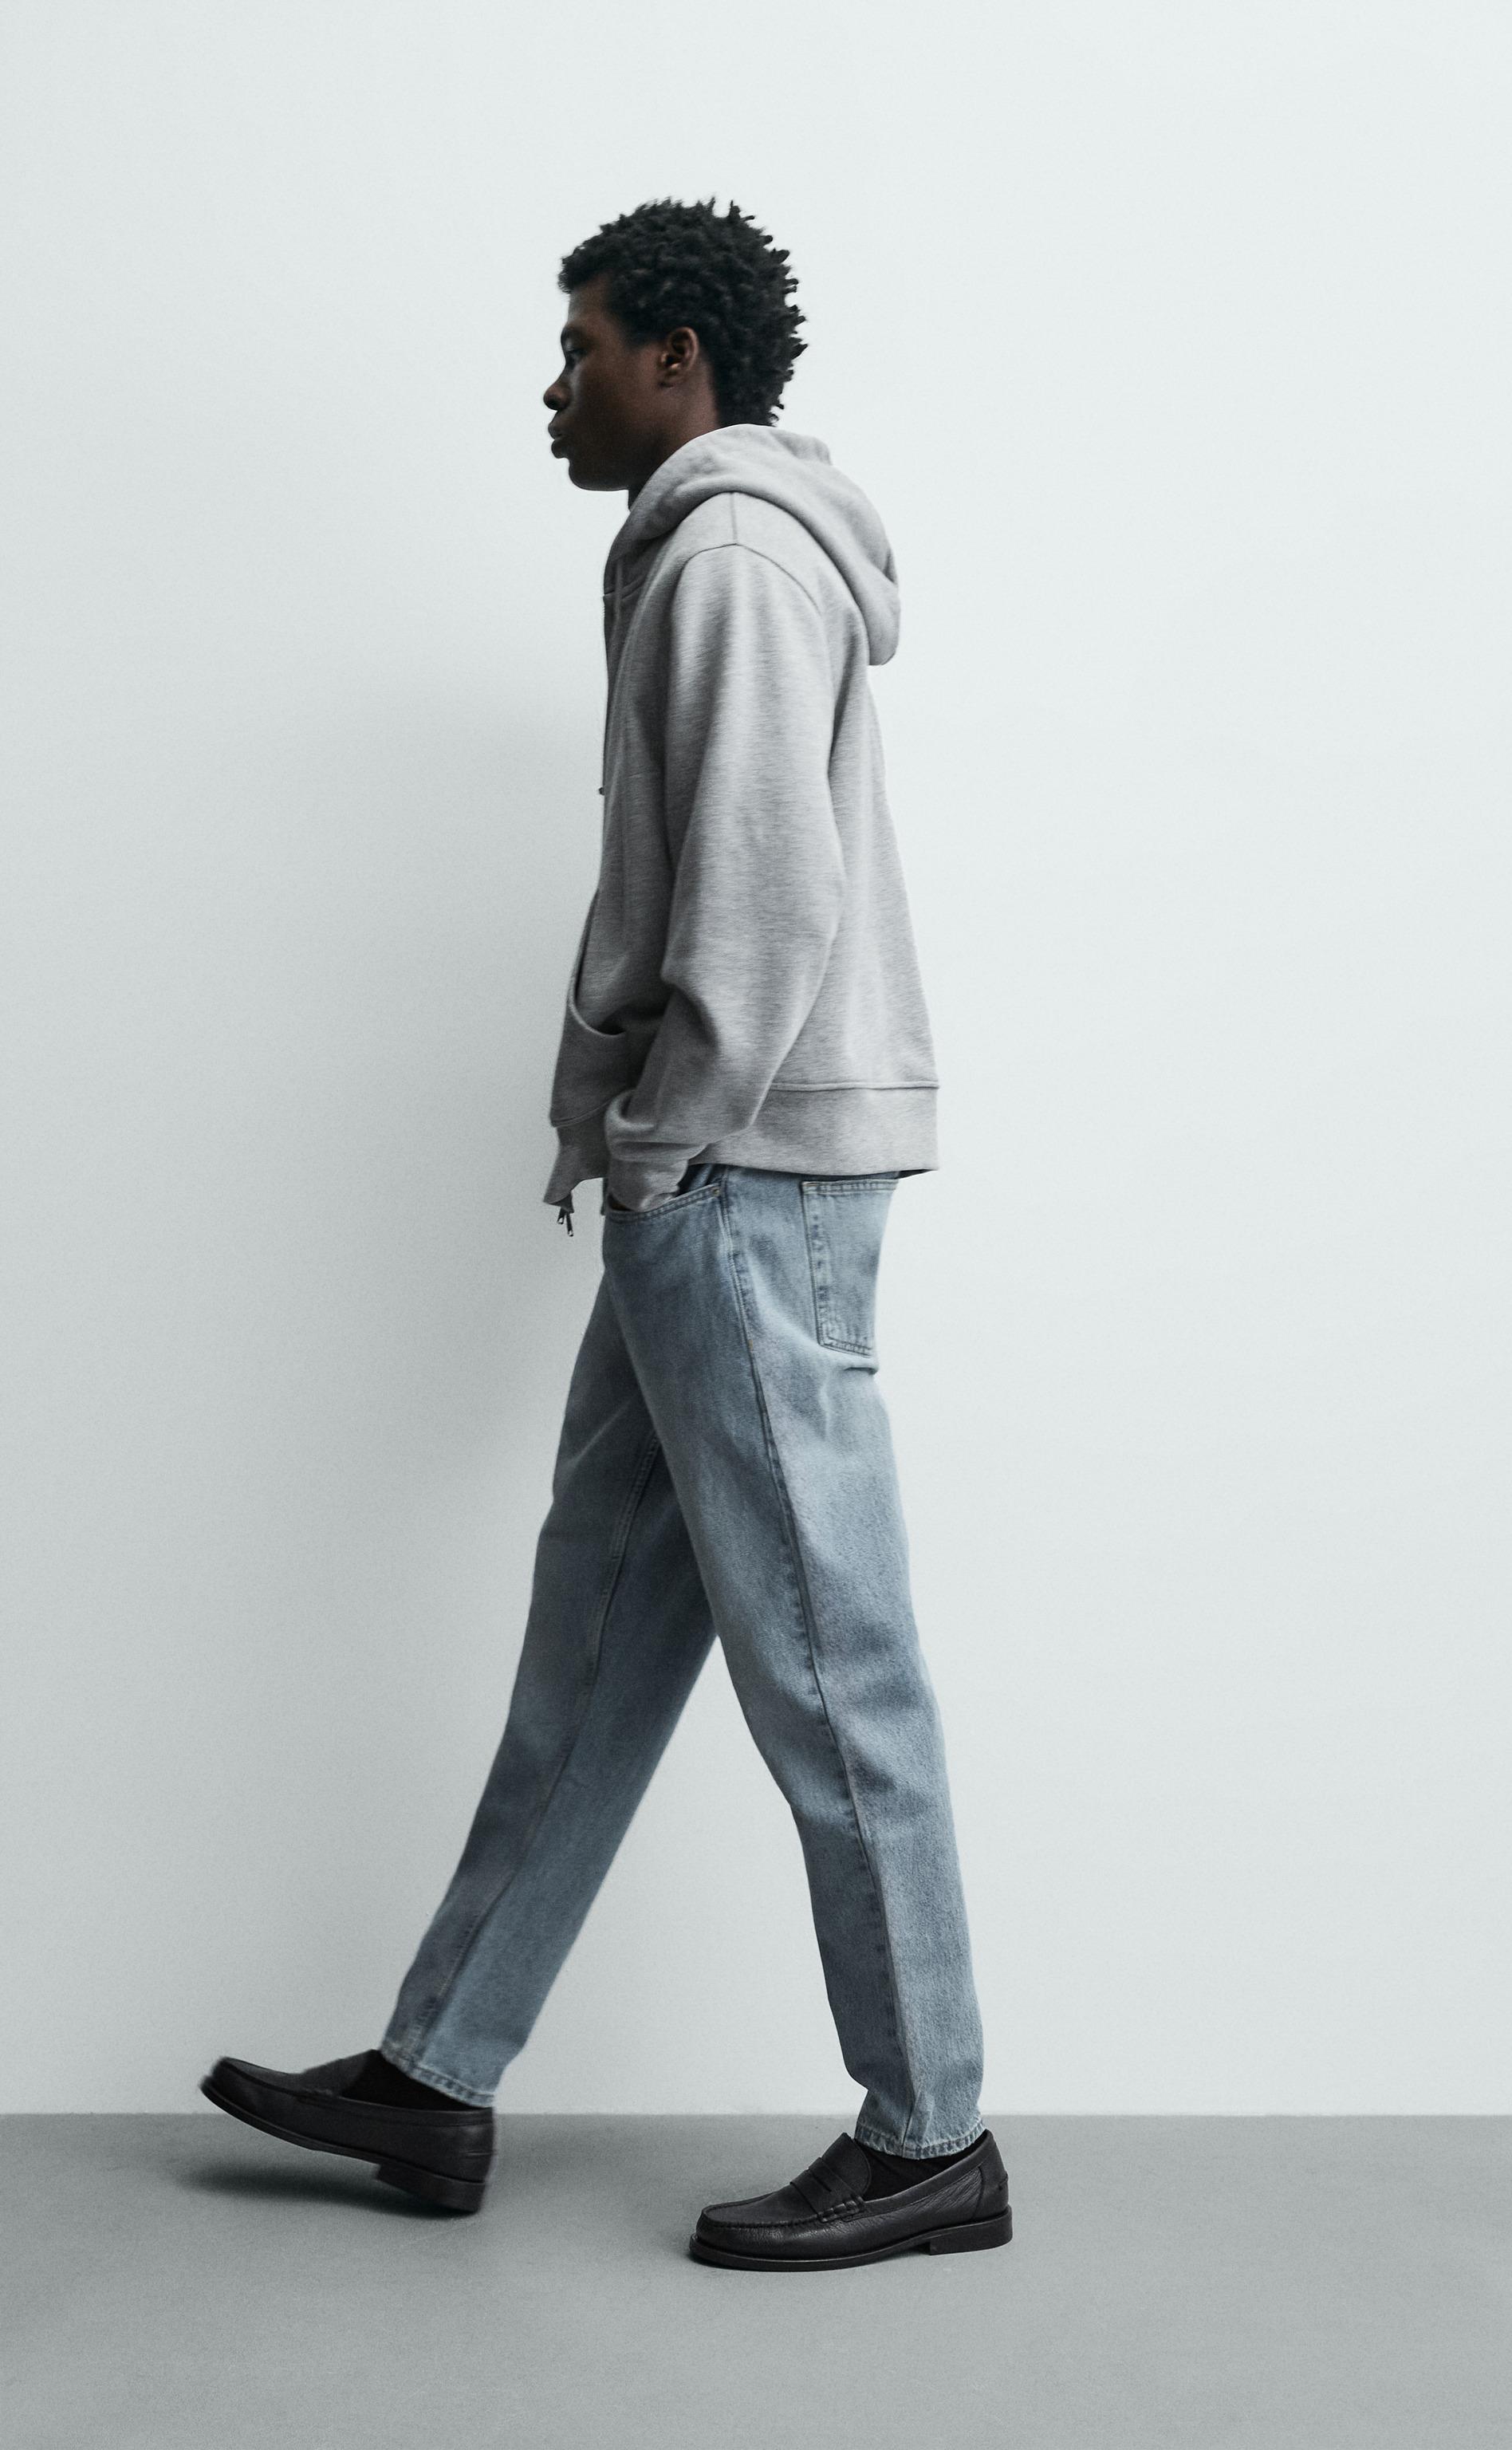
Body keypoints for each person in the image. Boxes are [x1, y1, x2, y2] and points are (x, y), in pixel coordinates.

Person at [202, 196, 1009, 2271]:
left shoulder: (731, 558)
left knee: (829, 1659)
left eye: (580, 347)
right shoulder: (698, 551)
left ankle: (933, 2133)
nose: (553, 385)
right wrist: (632, 1135)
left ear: (678, 361)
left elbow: (763, 896)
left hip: (746, 1178)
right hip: (710, 1177)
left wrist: (659, 1139)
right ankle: (440, 2071)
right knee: (598, 1631)